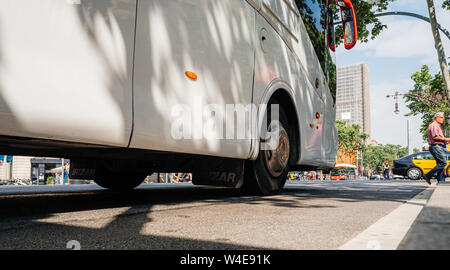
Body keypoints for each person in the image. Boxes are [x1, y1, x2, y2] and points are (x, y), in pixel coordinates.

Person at [424, 112, 450, 185]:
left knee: (441, 165)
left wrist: (445, 141)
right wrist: (446, 139)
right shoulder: (434, 125)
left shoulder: (437, 126)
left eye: (443, 117)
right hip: (436, 146)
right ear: (436, 118)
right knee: (443, 163)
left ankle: (441, 182)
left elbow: (438, 138)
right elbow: (435, 137)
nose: (443, 119)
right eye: (441, 117)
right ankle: (427, 175)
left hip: (438, 146)